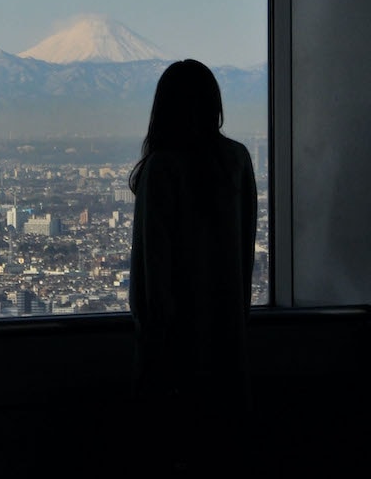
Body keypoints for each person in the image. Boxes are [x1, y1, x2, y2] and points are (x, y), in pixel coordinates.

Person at [128, 59, 259, 475]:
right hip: (228, 347)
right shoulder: (236, 161)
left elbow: (153, 273)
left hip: (173, 357)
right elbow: (245, 252)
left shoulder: (162, 168)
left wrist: (153, 340)